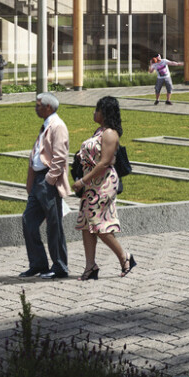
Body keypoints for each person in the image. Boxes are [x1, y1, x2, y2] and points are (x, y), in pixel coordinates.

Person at [73, 96, 135, 279]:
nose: (94, 112)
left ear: (105, 113)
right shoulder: (100, 131)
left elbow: (105, 162)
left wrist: (83, 181)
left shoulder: (110, 134)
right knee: (86, 223)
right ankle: (90, 266)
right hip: (93, 183)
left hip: (103, 184)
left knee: (97, 224)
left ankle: (125, 257)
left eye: (97, 109)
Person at [19, 93, 72, 279]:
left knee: (54, 226)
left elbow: (60, 156)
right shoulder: (47, 125)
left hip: (47, 181)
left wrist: (49, 179)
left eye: (39, 105)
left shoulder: (58, 126)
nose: (36, 107)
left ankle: (60, 267)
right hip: (38, 182)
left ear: (49, 107)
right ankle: (38, 263)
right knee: (28, 221)